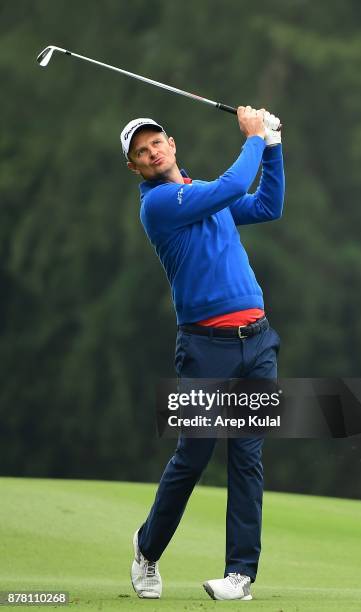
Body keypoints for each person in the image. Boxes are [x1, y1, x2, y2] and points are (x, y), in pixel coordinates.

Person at [120, 106, 285, 601]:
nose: (152, 152)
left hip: (257, 341)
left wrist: (274, 148)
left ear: (171, 143)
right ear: (136, 168)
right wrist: (255, 136)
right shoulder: (162, 204)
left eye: (155, 143)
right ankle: (147, 550)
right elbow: (234, 187)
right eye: (140, 152)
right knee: (192, 458)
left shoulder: (203, 195)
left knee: (248, 458)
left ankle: (241, 576)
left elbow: (267, 205)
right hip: (204, 350)